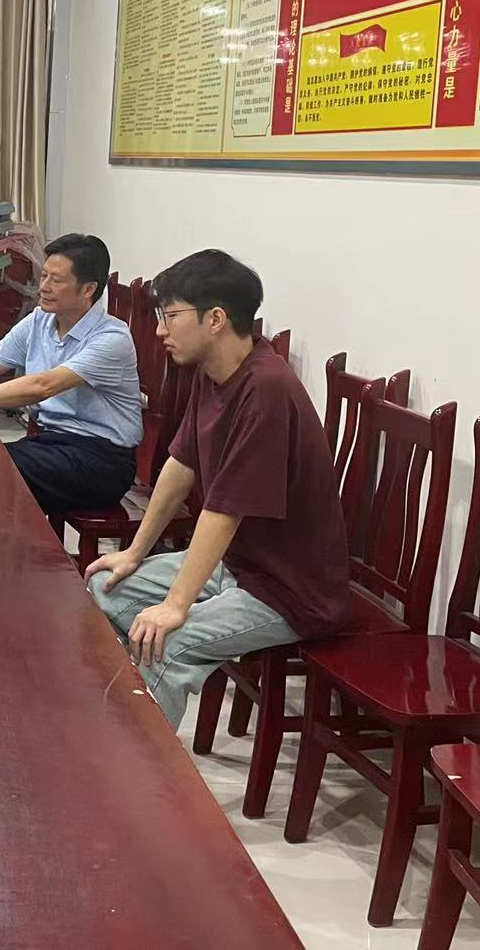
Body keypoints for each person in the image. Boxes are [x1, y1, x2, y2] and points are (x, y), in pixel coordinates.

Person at [85, 249, 349, 730]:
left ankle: (142, 767)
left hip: (289, 592)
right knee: (105, 588)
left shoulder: (266, 390)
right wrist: (134, 554)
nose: (160, 331)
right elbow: (180, 465)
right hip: (240, 566)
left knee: (166, 642)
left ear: (216, 319)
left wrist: (175, 607)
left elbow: (223, 512)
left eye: (170, 316)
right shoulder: (215, 371)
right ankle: (121, 723)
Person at [0, 233, 142, 537]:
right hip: (51, 444)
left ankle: (6, 556)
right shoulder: (39, 321)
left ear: (88, 289)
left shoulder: (112, 338)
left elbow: (44, 385)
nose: (43, 287)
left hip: (100, 460)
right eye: (44, 276)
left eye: (56, 280)